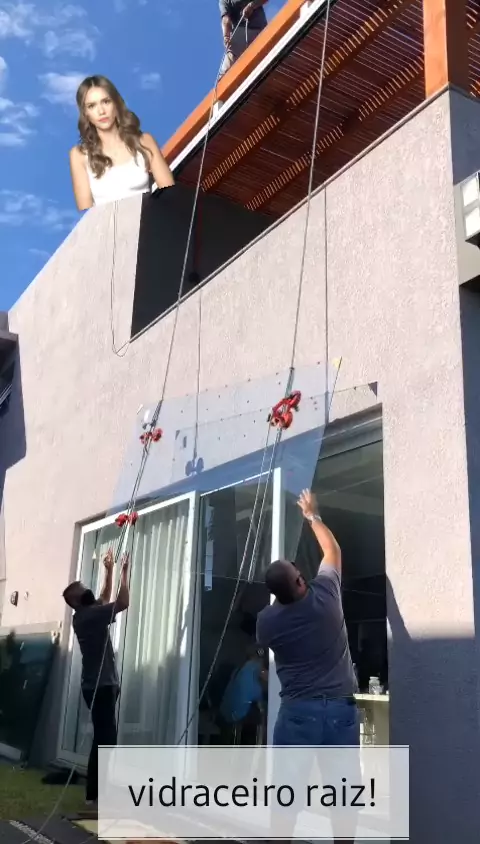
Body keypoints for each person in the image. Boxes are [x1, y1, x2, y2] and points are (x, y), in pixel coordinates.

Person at [256, 489, 359, 843]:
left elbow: (269, 636)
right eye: (298, 572)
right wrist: (312, 515)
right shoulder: (327, 595)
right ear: (300, 580)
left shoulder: (267, 622)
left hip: (299, 712)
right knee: (343, 796)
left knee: (286, 797)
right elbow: (332, 550)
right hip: (341, 712)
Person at [62, 549, 130, 808]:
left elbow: (103, 596)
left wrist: (109, 570)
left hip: (102, 685)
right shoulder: (88, 616)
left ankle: (95, 794)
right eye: (83, 591)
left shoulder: (87, 613)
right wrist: (124, 573)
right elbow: (122, 603)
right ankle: (97, 795)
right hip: (100, 687)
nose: (88, 591)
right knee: (106, 741)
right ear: (77, 601)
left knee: (102, 740)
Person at [69, 75, 175, 211]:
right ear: (85, 113)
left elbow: (169, 195)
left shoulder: (145, 141)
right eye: (92, 106)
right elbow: (86, 213)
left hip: (148, 221)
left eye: (106, 102)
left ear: (116, 103)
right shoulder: (79, 155)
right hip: (104, 224)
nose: (101, 111)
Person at [218, 645, 268, 743]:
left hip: (227, 712)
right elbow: (269, 679)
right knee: (270, 715)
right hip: (240, 714)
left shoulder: (238, 669)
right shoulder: (255, 666)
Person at [219, 0, 269, 78]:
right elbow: (225, 20)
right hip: (247, 31)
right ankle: (224, 79)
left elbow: (225, 20)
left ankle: (223, 78)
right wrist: (226, 37)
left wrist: (251, 6)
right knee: (232, 51)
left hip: (259, 31)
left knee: (233, 54)